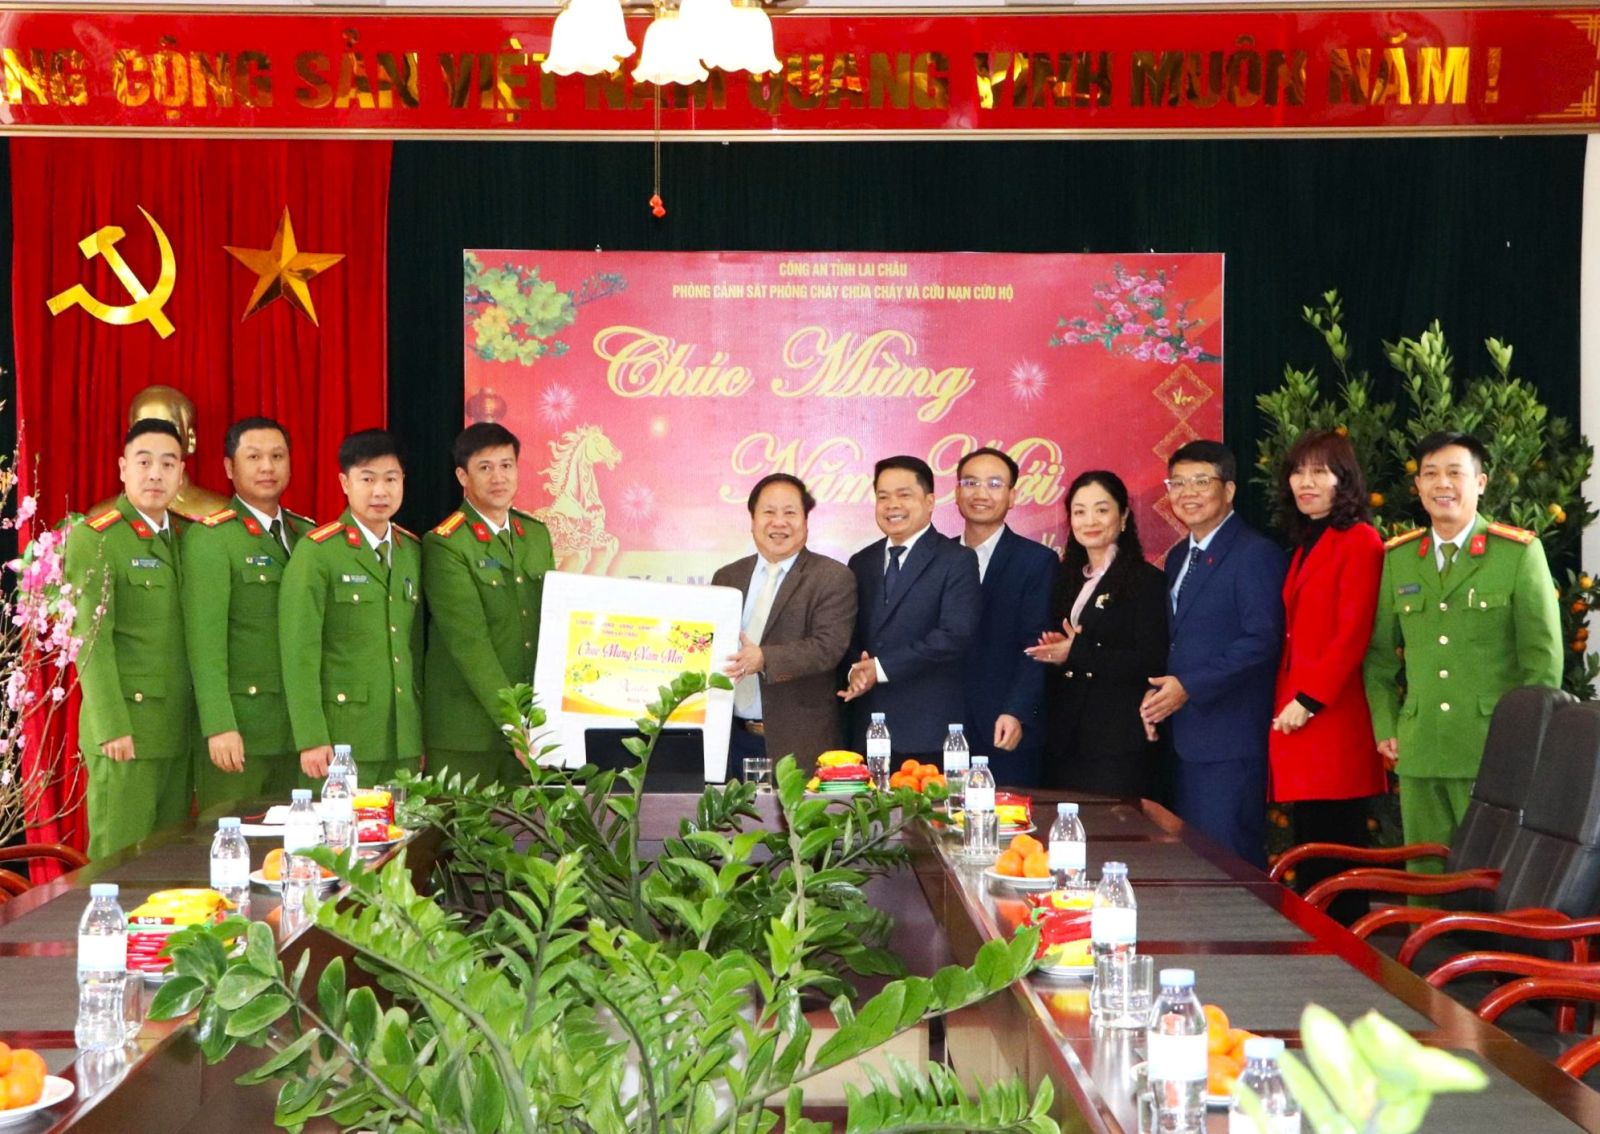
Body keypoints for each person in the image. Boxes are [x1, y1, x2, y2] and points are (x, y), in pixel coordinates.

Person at [1363, 431, 1563, 868]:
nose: (1442, 484)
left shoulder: (1517, 553)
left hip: (1493, 750)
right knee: (1423, 877)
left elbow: (1542, 661)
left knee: (1490, 877)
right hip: (1420, 749)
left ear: (1481, 482)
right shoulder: (1399, 558)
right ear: (1418, 486)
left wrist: (1527, 740)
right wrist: (1386, 726)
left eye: (1455, 472)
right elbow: (1379, 658)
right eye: (1431, 474)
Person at [1141, 440, 1285, 867]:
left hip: (1228, 740)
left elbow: (1262, 640)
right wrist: (1161, 694)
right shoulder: (1179, 556)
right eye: (1178, 483)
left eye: (1201, 482)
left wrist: (1190, 685)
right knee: (1192, 862)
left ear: (1229, 489)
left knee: (1229, 863)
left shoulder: (1254, 553)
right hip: (1183, 737)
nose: (1187, 493)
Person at [1269, 431, 1387, 920]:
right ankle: (1318, 943)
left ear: (1345, 480)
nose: (1305, 482)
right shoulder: (1306, 543)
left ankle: (1347, 949)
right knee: (1312, 846)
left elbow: (1353, 632)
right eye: (1298, 472)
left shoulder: (1360, 539)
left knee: (1337, 849)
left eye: (1319, 472)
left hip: (1332, 717)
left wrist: (1309, 699)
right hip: (1302, 719)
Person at [65, 419, 196, 859]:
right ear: (123, 468)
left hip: (177, 730)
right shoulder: (97, 539)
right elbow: (92, 641)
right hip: (128, 732)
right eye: (144, 462)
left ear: (181, 473)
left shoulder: (186, 536)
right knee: (116, 865)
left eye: (168, 463)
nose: (156, 474)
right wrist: (112, 727)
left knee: (167, 865)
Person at [182, 416, 316, 808]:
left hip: (299, 731)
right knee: (231, 836)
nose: (267, 467)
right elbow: (204, 643)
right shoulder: (212, 538)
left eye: (277, 456)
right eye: (254, 457)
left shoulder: (306, 534)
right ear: (229, 467)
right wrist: (219, 725)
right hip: (241, 731)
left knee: (298, 839)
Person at [280, 429, 424, 788]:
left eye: (391, 479)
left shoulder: (410, 551)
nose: (380, 491)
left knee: (404, 824)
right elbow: (299, 651)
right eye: (367, 479)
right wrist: (311, 737)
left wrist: (416, 735)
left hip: (402, 738)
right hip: (340, 740)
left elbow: (413, 647)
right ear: (345, 483)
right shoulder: (319, 551)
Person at [423, 423, 554, 787]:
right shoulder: (446, 544)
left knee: (530, 824)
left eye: (506, 465)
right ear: (462, 476)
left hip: (530, 728)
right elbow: (470, 643)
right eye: (485, 467)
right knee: (462, 823)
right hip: (467, 732)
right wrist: (511, 721)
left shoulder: (535, 535)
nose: (498, 477)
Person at [1026, 470, 1168, 798]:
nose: (1090, 520)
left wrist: (1076, 651)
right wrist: (1055, 651)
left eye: (1102, 510)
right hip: (1063, 737)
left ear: (1124, 517)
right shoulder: (1064, 578)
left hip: (1116, 739)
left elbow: (1151, 660)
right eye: (1079, 511)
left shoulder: (1146, 581)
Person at [840, 455, 980, 759]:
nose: (892, 505)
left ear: (929, 502)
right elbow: (850, 633)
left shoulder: (957, 560)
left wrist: (880, 669)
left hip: (927, 731)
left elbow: (954, 635)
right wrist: (856, 671)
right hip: (867, 729)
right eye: (883, 497)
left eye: (904, 495)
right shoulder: (861, 562)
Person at [714, 474, 857, 770]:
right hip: (730, 740)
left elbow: (827, 648)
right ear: (752, 520)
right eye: (769, 512)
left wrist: (764, 659)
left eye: (790, 513)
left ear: (806, 521)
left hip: (798, 743)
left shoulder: (832, 577)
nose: (779, 523)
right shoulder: (727, 577)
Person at [955, 447, 1058, 787]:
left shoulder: (1036, 561)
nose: (981, 493)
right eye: (971, 482)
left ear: (1012, 496)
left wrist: (1017, 711)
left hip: (1005, 726)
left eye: (994, 484)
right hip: (943, 726)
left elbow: (1037, 646)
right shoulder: (938, 557)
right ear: (956, 493)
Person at [87, 385, 229, 521]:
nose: (155, 439)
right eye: (142, 428)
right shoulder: (102, 517)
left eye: (169, 428)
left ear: (191, 440)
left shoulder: (219, 514)